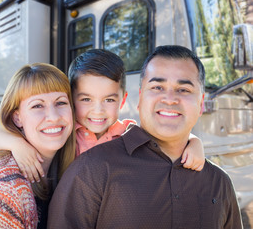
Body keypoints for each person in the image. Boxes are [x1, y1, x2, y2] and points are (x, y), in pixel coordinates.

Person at [47, 45, 243, 228]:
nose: (170, 99)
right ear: (140, 98)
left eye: (183, 90)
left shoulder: (220, 183)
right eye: (157, 87)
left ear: (201, 103)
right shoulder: (88, 165)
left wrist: (194, 141)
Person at [0, 49, 205, 183]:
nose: (98, 111)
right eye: (86, 99)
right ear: (71, 100)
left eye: (109, 100)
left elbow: (165, 140)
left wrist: (194, 142)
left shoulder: (129, 132)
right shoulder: (66, 133)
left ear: (122, 100)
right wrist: (18, 145)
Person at [0, 63, 76, 229]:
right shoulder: (3, 192)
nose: (53, 116)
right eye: (37, 105)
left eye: (60, 103)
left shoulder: (67, 161)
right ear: (17, 118)